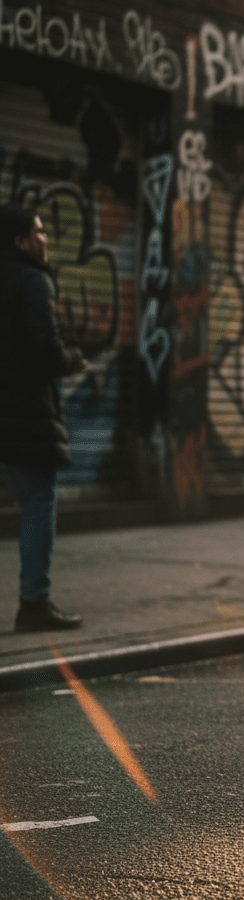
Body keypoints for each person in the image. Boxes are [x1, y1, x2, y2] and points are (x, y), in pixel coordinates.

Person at [0, 204, 86, 631]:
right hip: (23, 414)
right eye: (37, 232)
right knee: (37, 501)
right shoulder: (32, 279)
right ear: (19, 242)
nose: (45, 238)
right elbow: (44, 350)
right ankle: (33, 604)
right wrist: (74, 359)